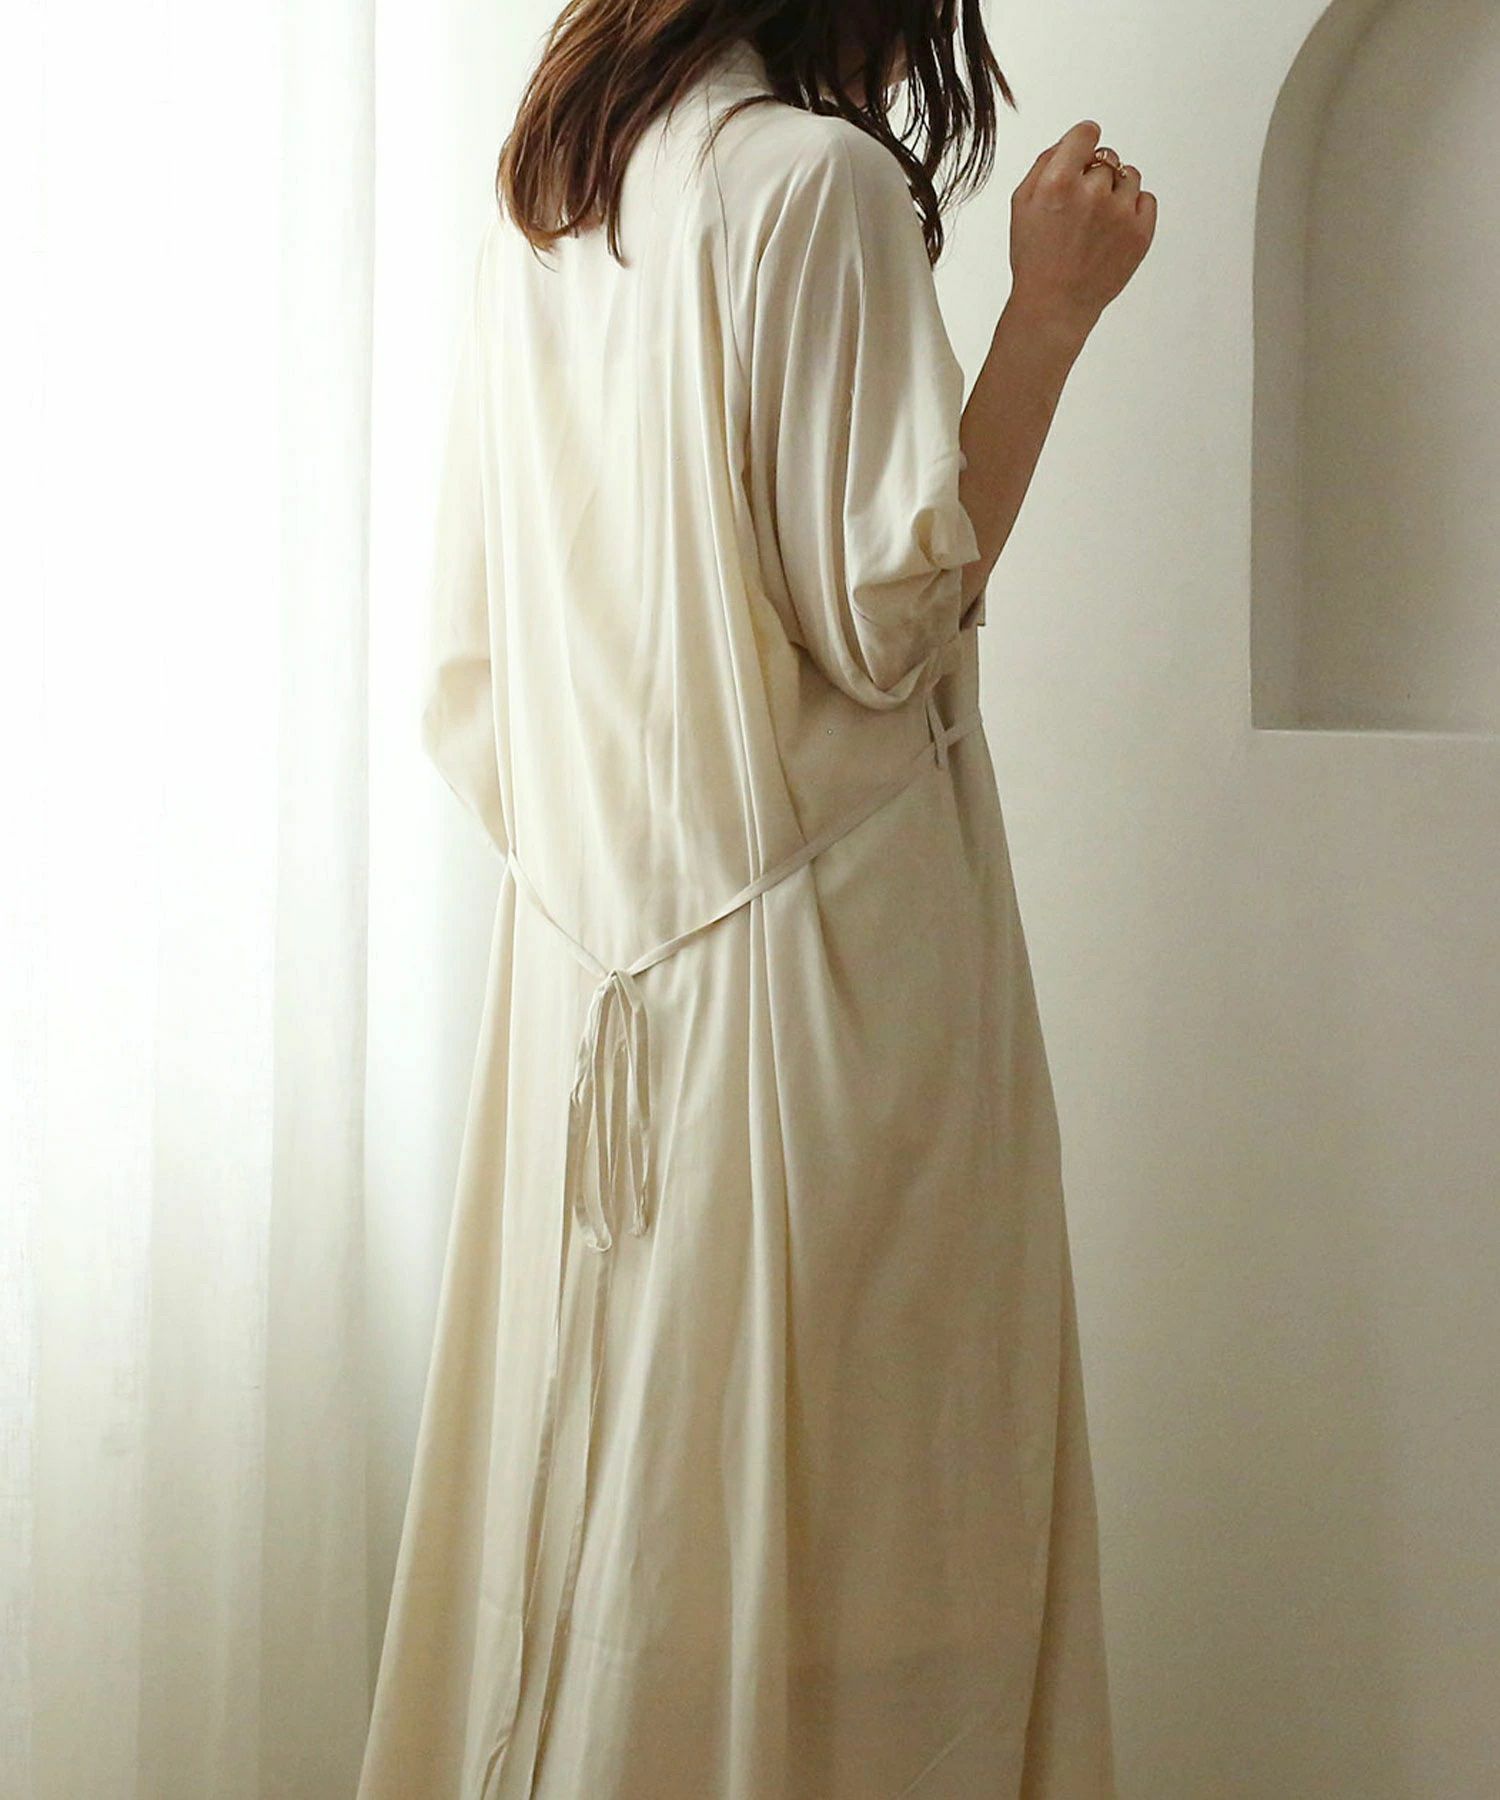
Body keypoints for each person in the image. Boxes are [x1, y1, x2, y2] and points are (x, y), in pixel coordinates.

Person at [356, 9, 1155, 1798]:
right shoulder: (811, 184)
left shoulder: (551, 201)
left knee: (630, 1527)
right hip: (825, 986)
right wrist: (1046, 315)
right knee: (879, 1522)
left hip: (594, 985)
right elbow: (886, 621)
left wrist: (626, 876)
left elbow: (469, 682)